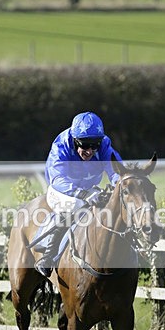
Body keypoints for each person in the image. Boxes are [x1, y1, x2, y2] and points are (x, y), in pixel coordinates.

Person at [35, 111, 123, 277]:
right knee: (76, 205)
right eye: (84, 145)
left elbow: (115, 170)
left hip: (89, 188)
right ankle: (47, 257)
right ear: (75, 140)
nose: (89, 151)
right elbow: (57, 179)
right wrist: (82, 194)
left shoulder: (104, 143)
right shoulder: (61, 145)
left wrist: (117, 184)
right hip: (62, 191)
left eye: (94, 145)